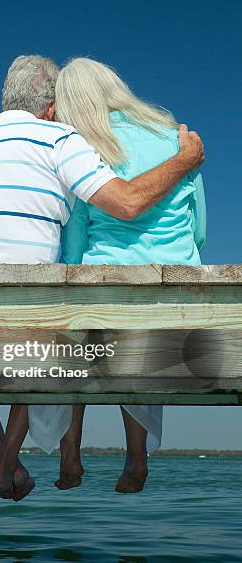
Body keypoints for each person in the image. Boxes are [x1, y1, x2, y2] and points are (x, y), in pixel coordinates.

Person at [0, 55, 204, 500]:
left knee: (48, 325)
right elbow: (129, 204)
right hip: (28, 313)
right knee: (52, 331)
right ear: (51, 109)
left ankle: (12, 459)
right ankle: (11, 463)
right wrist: (187, 157)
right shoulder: (60, 140)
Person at [47, 57, 206, 493]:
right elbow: (199, 227)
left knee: (72, 348)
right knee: (138, 346)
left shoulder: (84, 146)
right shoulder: (178, 140)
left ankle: (70, 456)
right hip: (173, 286)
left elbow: (76, 233)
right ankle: (136, 459)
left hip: (104, 281)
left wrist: (72, 269)